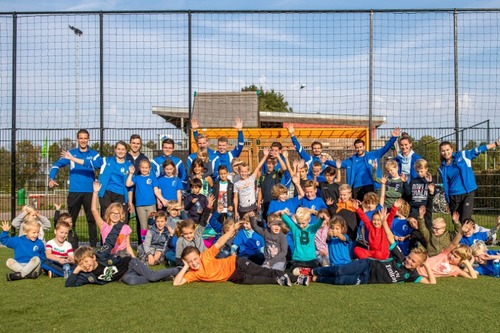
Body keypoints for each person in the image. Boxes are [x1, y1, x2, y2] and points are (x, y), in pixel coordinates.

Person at [293, 207, 436, 286]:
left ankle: (315, 277)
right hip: (367, 265)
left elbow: (432, 282)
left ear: (418, 264)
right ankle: (310, 271)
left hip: (368, 279)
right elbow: (390, 238)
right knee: (340, 270)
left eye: (412, 261)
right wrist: (385, 222)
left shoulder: (411, 275)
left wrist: (426, 265)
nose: (408, 261)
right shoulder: (400, 256)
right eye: (410, 258)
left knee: (341, 280)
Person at [173, 220, 293, 286]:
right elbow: (176, 284)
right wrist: (185, 267)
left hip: (235, 263)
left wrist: (232, 230)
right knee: (250, 280)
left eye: (195, 259)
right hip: (231, 276)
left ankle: (296, 278)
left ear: (199, 256)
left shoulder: (205, 256)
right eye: (190, 262)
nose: (194, 263)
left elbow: (220, 243)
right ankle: (279, 280)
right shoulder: (192, 274)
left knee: (261, 271)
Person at [65, 222, 179, 287]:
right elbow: (68, 284)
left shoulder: (101, 255)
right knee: (132, 281)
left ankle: (178, 270)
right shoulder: (86, 275)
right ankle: (165, 277)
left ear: (93, 257)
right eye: (81, 264)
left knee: (152, 276)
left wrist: (118, 225)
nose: (84, 265)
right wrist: (76, 270)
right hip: (124, 276)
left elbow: (109, 241)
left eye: (86, 261)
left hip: (130, 263)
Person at [48, 129, 99, 247]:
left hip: (90, 192)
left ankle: (93, 247)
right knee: (71, 222)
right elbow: (56, 164)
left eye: (85, 138)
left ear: (88, 139)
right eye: (81, 138)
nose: (83, 140)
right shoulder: (70, 153)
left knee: (92, 220)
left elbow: (98, 164)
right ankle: (72, 247)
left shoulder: (93, 154)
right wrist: (52, 178)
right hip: (74, 192)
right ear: (77, 139)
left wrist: (75, 159)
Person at [63, 140, 134, 223]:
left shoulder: (129, 165)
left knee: (122, 220)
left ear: (126, 151)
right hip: (106, 193)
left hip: (121, 195)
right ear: (115, 150)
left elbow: (130, 186)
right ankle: (105, 236)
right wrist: (72, 158)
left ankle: (120, 236)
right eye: (118, 149)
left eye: (123, 149)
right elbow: (88, 163)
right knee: (106, 219)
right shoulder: (106, 161)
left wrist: (130, 201)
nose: (120, 151)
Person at [328, 127, 401, 201]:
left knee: (371, 205)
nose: (359, 149)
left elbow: (385, 148)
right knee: (358, 208)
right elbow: (338, 164)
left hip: (369, 186)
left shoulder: (373, 155)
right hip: (356, 187)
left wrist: (393, 138)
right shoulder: (351, 160)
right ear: (355, 148)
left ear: (364, 146)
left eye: (360, 147)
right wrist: (326, 161)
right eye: (357, 147)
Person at [438, 138, 500, 222]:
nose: (446, 152)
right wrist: (448, 202)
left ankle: (477, 234)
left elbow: (478, 150)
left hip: (467, 194)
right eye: (443, 151)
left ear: (452, 149)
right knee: (456, 223)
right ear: (441, 152)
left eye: (448, 150)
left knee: (466, 221)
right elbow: (446, 186)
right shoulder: (442, 168)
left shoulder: (463, 156)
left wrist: (496, 144)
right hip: (453, 197)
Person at [126, 160, 168, 244]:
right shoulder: (137, 178)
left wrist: (162, 199)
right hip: (140, 206)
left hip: (151, 205)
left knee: (152, 225)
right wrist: (131, 173)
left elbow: (156, 191)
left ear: (149, 168)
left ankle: (154, 243)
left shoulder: (152, 178)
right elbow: (128, 184)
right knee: (143, 226)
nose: (144, 169)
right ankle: (145, 245)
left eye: (146, 167)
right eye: (142, 167)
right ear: (139, 168)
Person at [91, 181, 135, 257]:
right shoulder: (103, 226)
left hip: (122, 255)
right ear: (109, 214)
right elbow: (94, 210)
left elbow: (128, 247)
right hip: (109, 255)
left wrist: (135, 260)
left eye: (118, 213)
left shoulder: (125, 228)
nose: (115, 215)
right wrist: (95, 192)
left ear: (121, 215)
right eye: (113, 213)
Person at [126, 134, 151, 245]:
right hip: (126, 192)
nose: (135, 145)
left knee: (141, 222)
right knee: (125, 220)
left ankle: (142, 245)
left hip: (140, 194)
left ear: (140, 145)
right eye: (133, 143)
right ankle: (124, 245)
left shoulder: (144, 158)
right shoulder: (125, 157)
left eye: (138, 143)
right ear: (130, 143)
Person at [233, 149, 269, 220]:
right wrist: (236, 211)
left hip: (252, 207)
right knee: (244, 225)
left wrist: (265, 156)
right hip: (242, 209)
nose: (243, 173)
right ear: (239, 172)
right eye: (242, 171)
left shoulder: (251, 179)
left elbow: (258, 167)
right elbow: (236, 198)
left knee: (253, 225)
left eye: (245, 171)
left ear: (248, 171)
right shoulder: (236, 184)